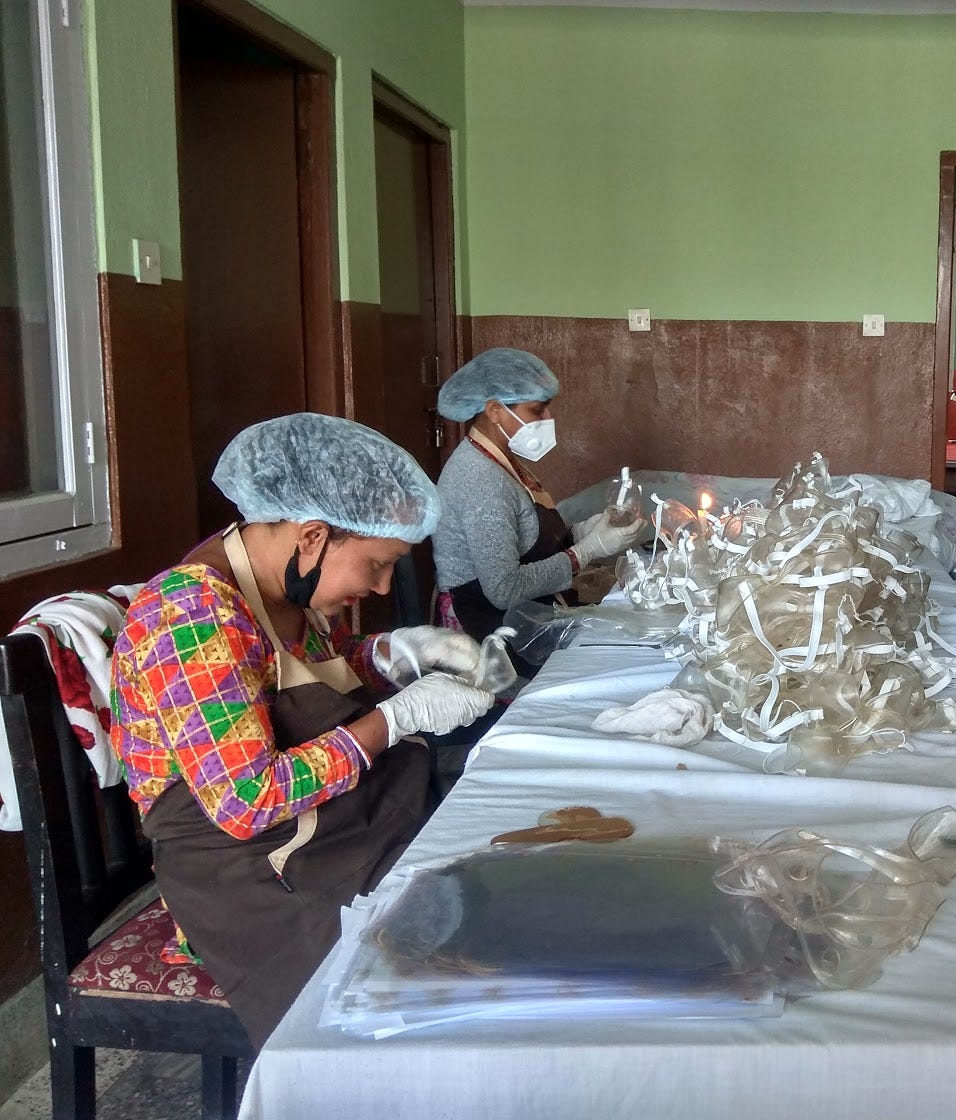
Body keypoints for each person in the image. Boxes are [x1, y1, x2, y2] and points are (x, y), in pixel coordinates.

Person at [110, 414, 498, 1045]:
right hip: (248, 875)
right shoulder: (190, 617)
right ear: (313, 536)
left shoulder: (281, 585)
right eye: (376, 564)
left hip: (327, 833)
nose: (377, 587)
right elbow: (246, 800)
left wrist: (399, 653)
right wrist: (396, 718)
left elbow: (323, 669)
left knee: (479, 875)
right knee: (411, 994)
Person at [432, 347, 644, 641]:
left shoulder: (502, 461)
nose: (547, 418)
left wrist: (589, 531)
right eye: (536, 410)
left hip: (527, 613)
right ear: (495, 410)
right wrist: (586, 552)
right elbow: (504, 589)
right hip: (488, 630)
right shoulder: (479, 479)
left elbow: (530, 539)